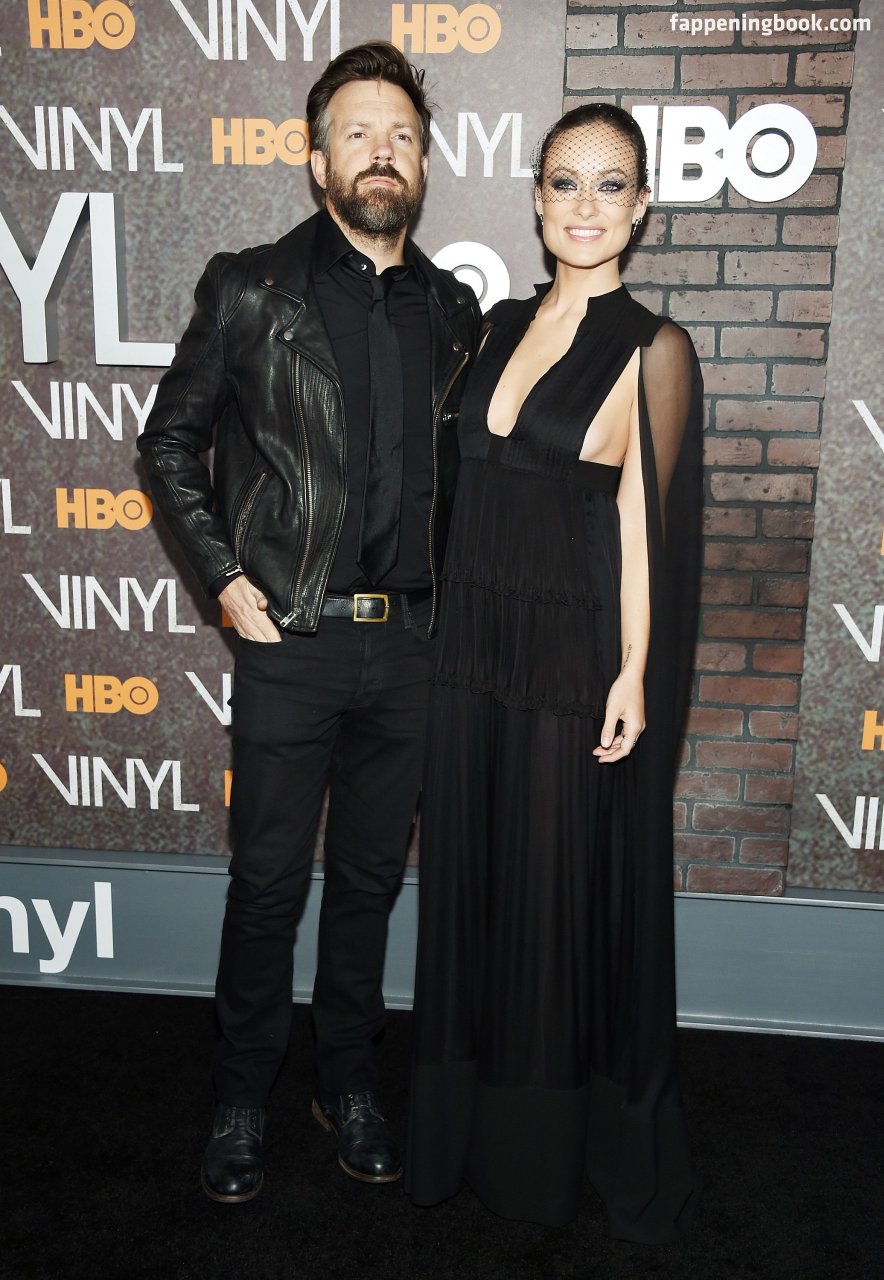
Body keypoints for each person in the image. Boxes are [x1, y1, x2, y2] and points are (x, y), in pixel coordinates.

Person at [137, 41, 480, 1203]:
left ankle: (349, 1079)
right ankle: (241, 1094)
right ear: (316, 158)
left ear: (422, 161)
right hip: (292, 642)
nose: (381, 152)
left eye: (400, 134)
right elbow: (168, 441)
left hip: (413, 647)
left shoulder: (453, 310)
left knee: (371, 883)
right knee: (269, 884)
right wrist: (225, 577)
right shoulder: (250, 288)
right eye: (356, 132)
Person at [406, 103, 703, 1243]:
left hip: (567, 659)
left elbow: (642, 525)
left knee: (542, 899)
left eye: (609, 183)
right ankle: (453, 1136)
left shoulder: (653, 347)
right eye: (564, 182)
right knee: (469, 887)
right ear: (535, 199)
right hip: (468, 650)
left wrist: (634, 671)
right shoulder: (492, 324)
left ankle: (531, 1165)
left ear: (641, 206)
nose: (585, 205)